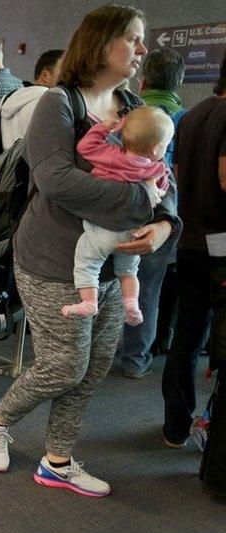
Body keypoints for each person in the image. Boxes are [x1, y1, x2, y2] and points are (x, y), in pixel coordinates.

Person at [0, 5, 179, 497]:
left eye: (142, 39)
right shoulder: (60, 104)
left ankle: (58, 460)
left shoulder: (133, 106)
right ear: (100, 42)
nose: (142, 49)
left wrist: (163, 224)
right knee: (65, 364)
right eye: (132, 38)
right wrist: (141, 203)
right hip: (52, 260)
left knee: (91, 370)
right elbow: (56, 180)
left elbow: (161, 171)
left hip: (112, 266)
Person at [161, 55, 226, 448]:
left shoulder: (192, 114)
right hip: (222, 245)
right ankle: (213, 429)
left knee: (186, 336)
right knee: (219, 339)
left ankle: (176, 427)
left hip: (191, 240)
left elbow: (180, 177)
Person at [62, 108, 172, 326]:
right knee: (129, 271)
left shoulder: (111, 155)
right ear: (156, 148)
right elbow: (163, 189)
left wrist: (104, 128)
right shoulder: (157, 169)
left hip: (102, 229)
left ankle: (89, 301)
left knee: (87, 262)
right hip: (133, 233)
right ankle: (131, 304)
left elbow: (85, 147)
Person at [118, 47, 188, 378]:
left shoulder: (128, 115)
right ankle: (134, 359)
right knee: (148, 291)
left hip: (118, 213)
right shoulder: (185, 119)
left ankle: (102, 351)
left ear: (143, 82)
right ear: (179, 83)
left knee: (109, 284)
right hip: (162, 219)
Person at [0, 49, 65, 148]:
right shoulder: (52, 103)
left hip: (2, 162)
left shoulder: (9, 97)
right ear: (45, 76)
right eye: (63, 73)